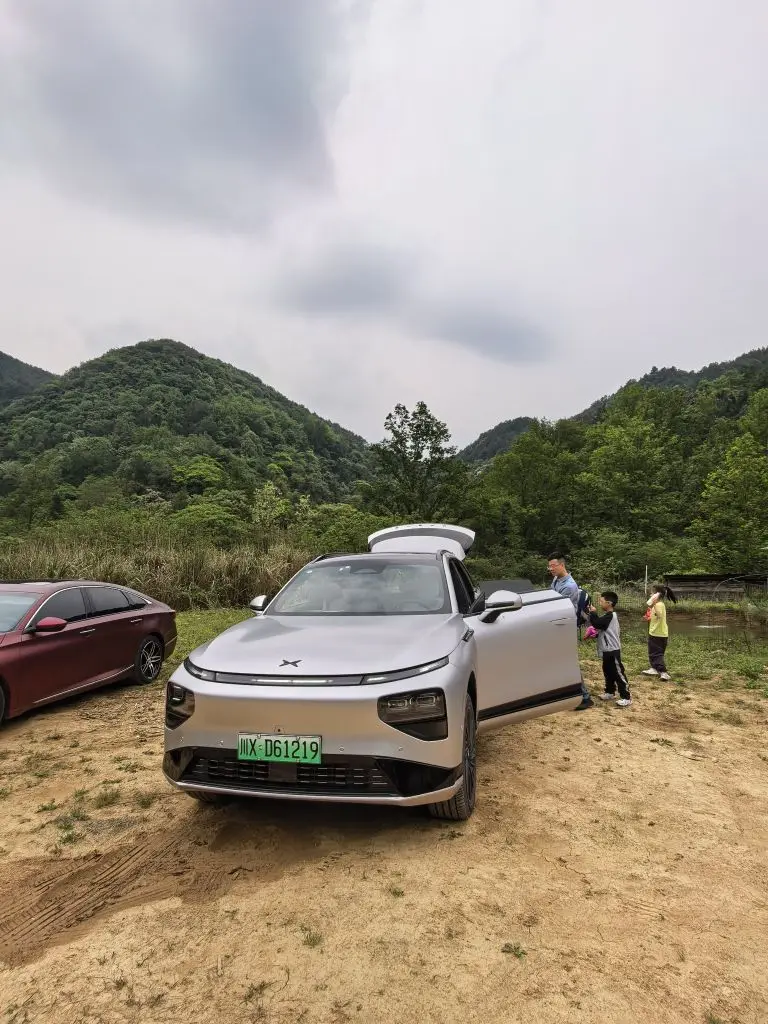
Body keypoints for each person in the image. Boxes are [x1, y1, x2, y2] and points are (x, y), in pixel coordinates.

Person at [548, 553, 593, 710]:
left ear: (562, 565)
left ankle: (585, 697)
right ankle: (564, 692)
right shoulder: (556, 580)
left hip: (565, 628)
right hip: (557, 625)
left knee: (568, 661)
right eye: (549, 566)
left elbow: (557, 607)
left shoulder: (569, 586)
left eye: (553, 566)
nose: (550, 569)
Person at [588, 591, 632, 707]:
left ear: (609, 603)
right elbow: (602, 629)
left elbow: (597, 624)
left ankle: (626, 697)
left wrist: (593, 613)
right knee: (608, 671)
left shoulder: (610, 616)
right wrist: (595, 634)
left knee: (618, 673)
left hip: (612, 650)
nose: (600, 603)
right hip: (607, 650)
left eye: (601, 601)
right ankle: (610, 692)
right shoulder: (607, 616)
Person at [642, 584, 677, 682]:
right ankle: (654, 668)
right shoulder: (657, 605)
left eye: (652, 593)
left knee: (656, 654)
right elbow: (656, 617)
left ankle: (663, 672)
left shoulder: (659, 605)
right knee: (654, 652)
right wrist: (648, 617)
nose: (650, 595)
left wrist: (653, 604)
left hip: (658, 634)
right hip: (656, 633)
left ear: (656, 595)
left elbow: (660, 615)